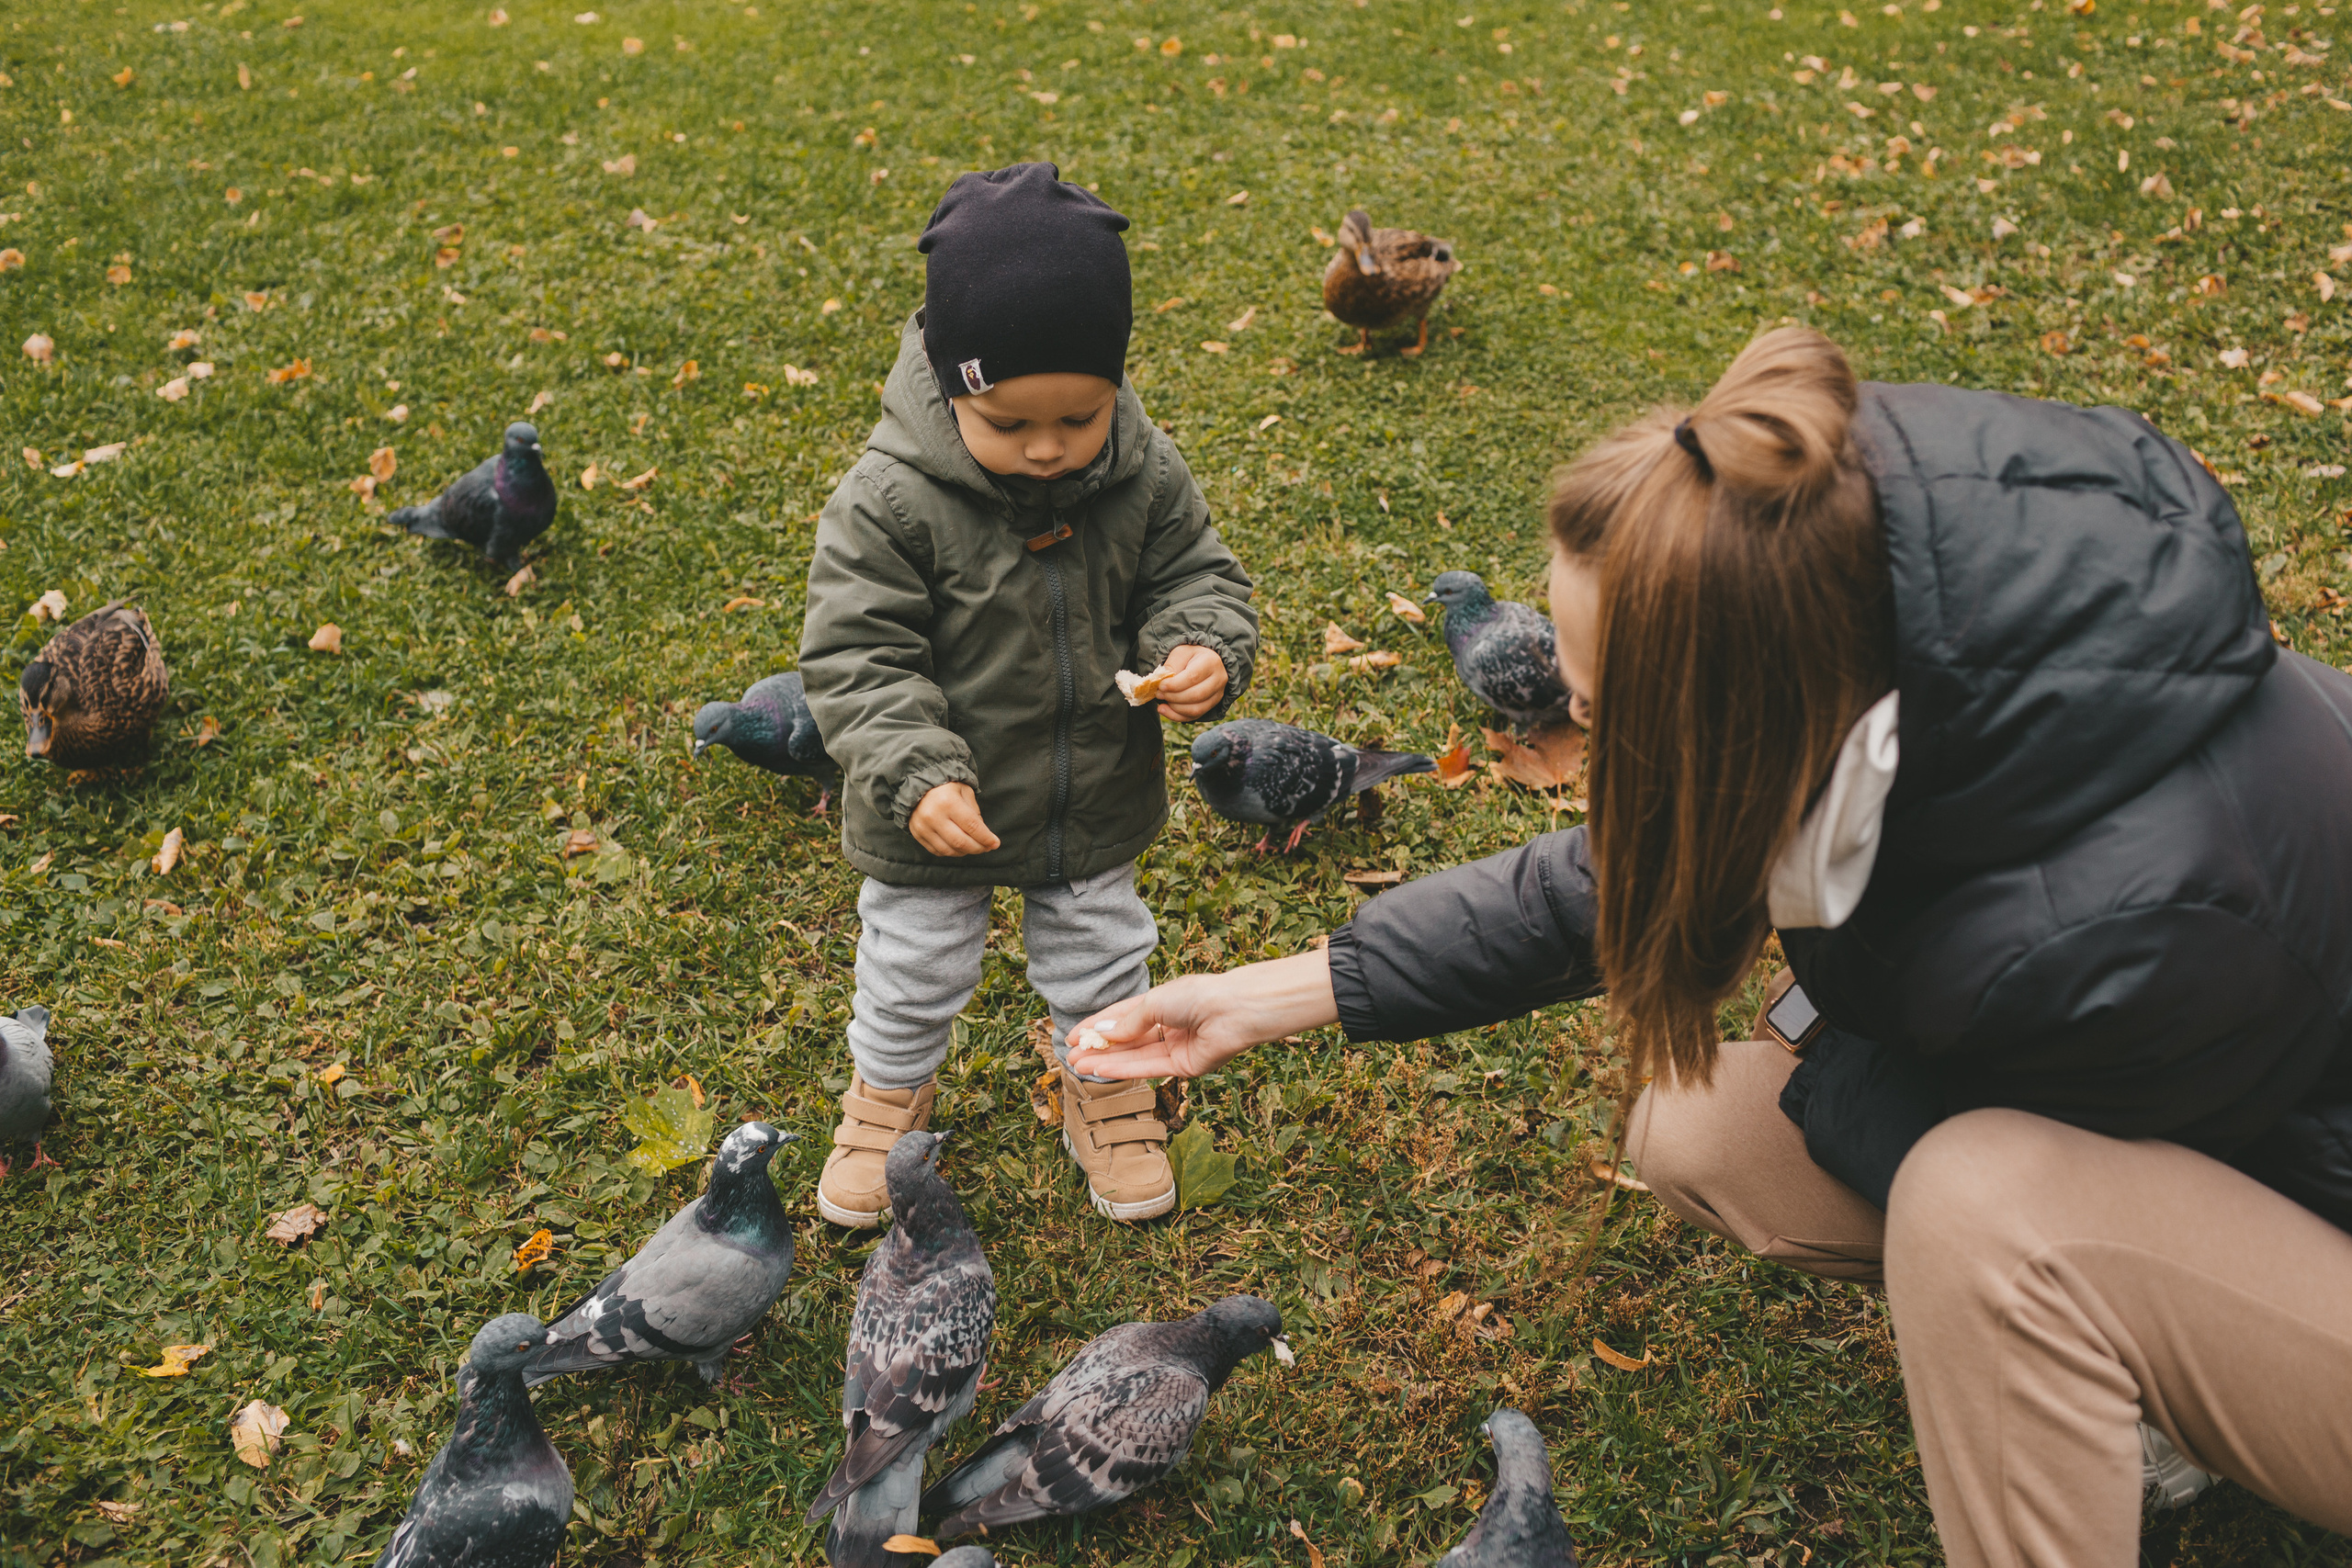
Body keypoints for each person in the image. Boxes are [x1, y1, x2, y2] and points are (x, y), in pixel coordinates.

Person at [1069, 328, 2352, 1565]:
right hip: (2218, 1134)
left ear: (1736, 717)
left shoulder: (2128, 928)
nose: (1575, 733)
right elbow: (1621, 876)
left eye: (1594, 707)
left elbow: (2030, 1144)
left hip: (2301, 1196)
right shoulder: (1899, 653)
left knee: (1980, 1205)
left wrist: (1825, 1064)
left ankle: (2148, 1393)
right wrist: (1274, 995)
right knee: (1704, 1127)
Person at [799, 164, 1258, 1228]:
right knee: (912, 964)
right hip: (933, 804)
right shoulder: (887, 499)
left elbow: (1196, 577)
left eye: (1079, 416)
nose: (1047, 447)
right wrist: (914, 771)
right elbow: (857, 653)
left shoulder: (1143, 473)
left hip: (1087, 784)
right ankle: (887, 1096)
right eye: (1007, 423)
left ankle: (1102, 1081)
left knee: (1101, 953)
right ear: (949, 385)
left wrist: (1199, 646)